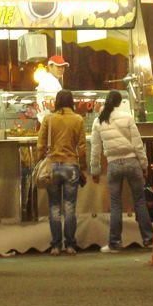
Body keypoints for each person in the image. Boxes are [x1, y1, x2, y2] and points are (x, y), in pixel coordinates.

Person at [89, 89, 153, 252]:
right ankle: (149, 239)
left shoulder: (99, 121)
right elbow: (138, 144)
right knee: (139, 202)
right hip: (132, 162)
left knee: (116, 204)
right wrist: (144, 165)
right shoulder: (127, 117)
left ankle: (115, 242)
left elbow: (95, 148)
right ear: (120, 103)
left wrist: (95, 170)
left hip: (114, 165)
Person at [36, 89, 88, 255]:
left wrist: (40, 159)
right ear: (71, 101)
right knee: (70, 206)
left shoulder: (49, 119)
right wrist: (84, 167)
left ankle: (56, 246)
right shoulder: (78, 119)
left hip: (52, 166)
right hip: (71, 166)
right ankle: (71, 245)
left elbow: (40, 145)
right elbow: (82, 147)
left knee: (54, 206)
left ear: (57, 102)